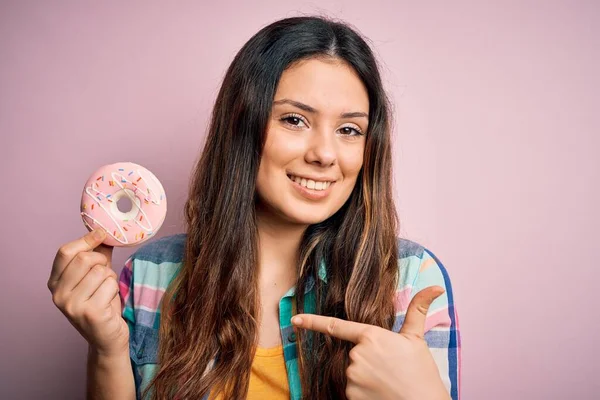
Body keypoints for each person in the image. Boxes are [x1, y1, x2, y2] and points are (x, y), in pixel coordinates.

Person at [48, 16, 461, 400]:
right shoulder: (150, 275)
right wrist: (107, 351)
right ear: (241, 124)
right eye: (295, 120)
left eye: (349, 130)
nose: (324, 154)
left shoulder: (409, 281)